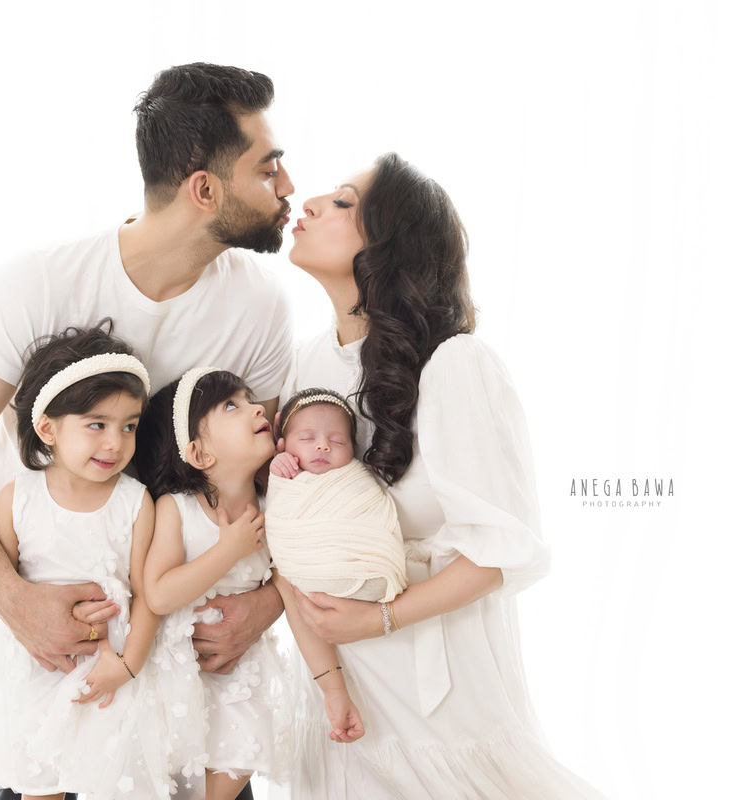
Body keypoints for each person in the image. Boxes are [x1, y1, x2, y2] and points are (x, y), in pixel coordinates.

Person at [0, 62, 295, 800]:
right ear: (204, 190)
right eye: (269, 168)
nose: (288, 187)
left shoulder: (260, 311)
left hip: (188, 664)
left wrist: (267, 604)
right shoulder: (36, 286)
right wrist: (12, 602)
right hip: (58, 655)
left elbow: (272, 479)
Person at [278, 152, 605, 798]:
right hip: (340, 686)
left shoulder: (457, 366)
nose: (310, 203)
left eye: (344, 203)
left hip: (437, 687)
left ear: (391, 247)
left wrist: (376, 620)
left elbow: (499, 553)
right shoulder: (308, 361)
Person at [0, 322, 193, 798]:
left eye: (129, 427)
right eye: (96, 425)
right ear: (48, 428)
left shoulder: (135, 502)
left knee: (115, 777)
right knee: (38, 779)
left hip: (112, 671)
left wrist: (128, 665)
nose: (115, 443)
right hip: (39, 668)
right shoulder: (15, 500)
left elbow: (149, 594)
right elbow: (1, 587)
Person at [133, 368, 313, 799]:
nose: (255, 407)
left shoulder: (276, 506)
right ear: (198, 454)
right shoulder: (177, 509)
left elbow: (293, 583)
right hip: (178, 675)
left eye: (250, 399)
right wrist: (228, 550)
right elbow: (158, 593)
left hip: (243, 673)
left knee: (236, 762)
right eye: (231, 405)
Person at [266, 387, 407, 602]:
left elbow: (374, 510)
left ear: (353, 450)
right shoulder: (288, 474)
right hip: (311, 571)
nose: (323, 446)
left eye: (338, 441)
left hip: (372, 568)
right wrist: (278, 465)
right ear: (283, 444)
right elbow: (277, 506)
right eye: (306, 438)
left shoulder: (354, 477)